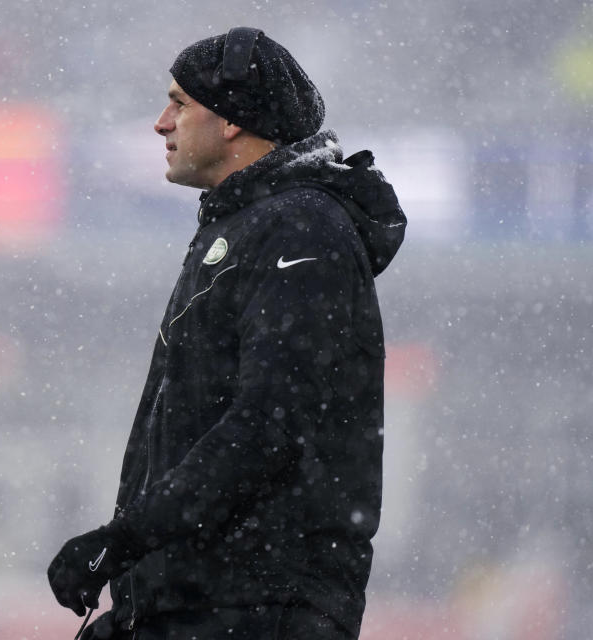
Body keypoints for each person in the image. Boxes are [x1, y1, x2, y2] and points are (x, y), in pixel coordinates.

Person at [48, 27, 406, 639]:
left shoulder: (301, 227)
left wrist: (126, 538)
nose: (162, 123)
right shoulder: (247, 226)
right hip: (198, 601)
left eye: (180, 103)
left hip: (256, 606)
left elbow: (269, 426)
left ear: (234, 120)